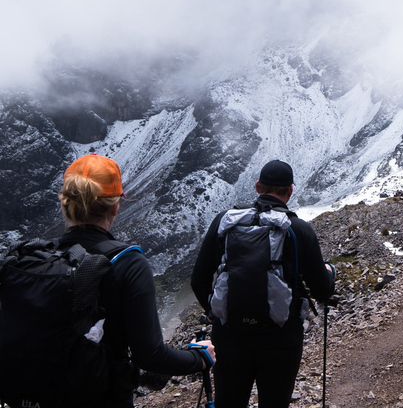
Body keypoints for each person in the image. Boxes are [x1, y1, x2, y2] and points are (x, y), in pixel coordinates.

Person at [0, 153, 216, 408]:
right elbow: (151, 356)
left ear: (65, 204)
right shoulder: (128, 262)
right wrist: (200, 358)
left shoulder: (33, 258)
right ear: (115, 206)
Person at [191, 159, 336, 408]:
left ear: (257, 186)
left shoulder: (224, 222)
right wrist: (329, 272)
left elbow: (198, 280)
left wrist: (217, 313)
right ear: (290, 191)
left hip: (230, 336)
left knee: (229, 403)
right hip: (281, 338)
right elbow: (323, 290)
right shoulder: (298, 229)